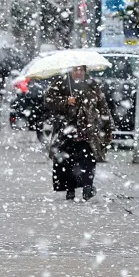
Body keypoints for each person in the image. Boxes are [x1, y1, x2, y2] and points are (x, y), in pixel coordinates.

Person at [44, 65, 113, 201]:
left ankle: (88, 188)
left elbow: (103, 106)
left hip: (87, 131)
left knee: (88, 161)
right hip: (66, 130)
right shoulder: (61, 83)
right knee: (67, 161)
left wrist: (107, 126)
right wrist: (65, 102)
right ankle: (70, 189)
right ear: (71, 70)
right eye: (76, 70)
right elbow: (48, 101)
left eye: (81, 70)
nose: (79, 72)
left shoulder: (92, 84)